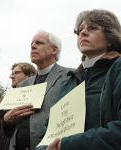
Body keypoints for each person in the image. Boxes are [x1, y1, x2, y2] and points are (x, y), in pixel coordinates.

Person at [37, 9, 121, 150]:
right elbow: (50, 131)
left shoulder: (118, 68)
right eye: (80, 29)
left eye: (92, 28)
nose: (83, 32)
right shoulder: (69, 81)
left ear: (110, 37)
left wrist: (67, 144)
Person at [3, 30, 80, 150]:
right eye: (31, 44)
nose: (33, 46)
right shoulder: (22, 85)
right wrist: (6, 121)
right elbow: (10, 127)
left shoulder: (71, 76)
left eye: (38, 43)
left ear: (54, 50)